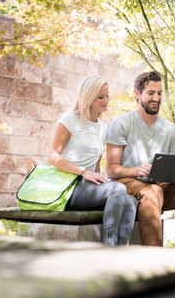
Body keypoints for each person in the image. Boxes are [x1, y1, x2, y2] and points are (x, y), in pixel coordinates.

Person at [105, 70, 175, 249]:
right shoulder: (121, 124)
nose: (156, 98)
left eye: (159, 93)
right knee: (152, 191)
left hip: (158, 185)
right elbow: (111, 169)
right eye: (151, 93)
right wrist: (136, 171)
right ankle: (155, 260)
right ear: (137, 94)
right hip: (127, 183)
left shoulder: (170, 129)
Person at [48, 75, 137, 246]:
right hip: (68, 186)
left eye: (107, 95)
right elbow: (53, 157)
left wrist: (100, 177)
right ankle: (108, 248)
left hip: (87, 187)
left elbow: (96, 166)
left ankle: (119, 253)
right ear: (88, 97)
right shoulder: (69, 119)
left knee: (130, 201)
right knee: (118, 189)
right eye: (100, 97)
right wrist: (83, 172)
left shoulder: (103, 128)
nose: (106, 100)